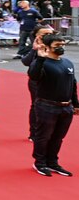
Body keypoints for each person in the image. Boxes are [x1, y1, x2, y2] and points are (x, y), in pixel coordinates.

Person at [28, 35, 77, 176]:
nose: (61, 47)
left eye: (62, 44)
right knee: (43, 136)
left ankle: (53, 162)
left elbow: (72, 84)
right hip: (46, 106)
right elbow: (34, 76)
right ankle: (40, 163)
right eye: (57, 44)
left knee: (58, 137)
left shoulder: (67, 63)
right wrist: (40, 58)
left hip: (66, 107)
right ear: (47, 47)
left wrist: (76, 103)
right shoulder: (41, 62)